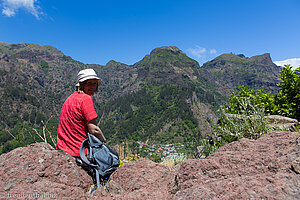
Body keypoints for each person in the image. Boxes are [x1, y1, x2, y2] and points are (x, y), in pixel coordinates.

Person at [56, 69, 106, 157]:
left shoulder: (70, 98)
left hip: (62, 149)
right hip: (78, 150)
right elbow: (93, 129)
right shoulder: (85, 99)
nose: (92, 87)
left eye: (94, 83)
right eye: (89, 83)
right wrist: (104, 142)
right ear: (82, 84)